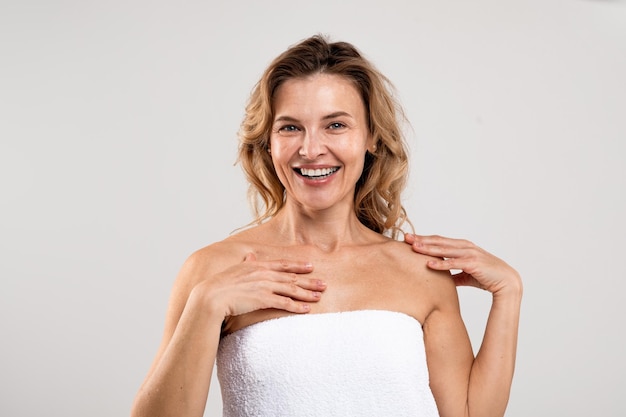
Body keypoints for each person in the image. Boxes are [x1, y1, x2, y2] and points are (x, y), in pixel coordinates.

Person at [130, 35, 522, 417]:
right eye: (290, 127)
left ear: (371, 137)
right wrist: (207, 303)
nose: (311, 149)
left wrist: (508, 293)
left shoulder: (420, 273)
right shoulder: (213, 270)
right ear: (268, 142)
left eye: (335, 125)